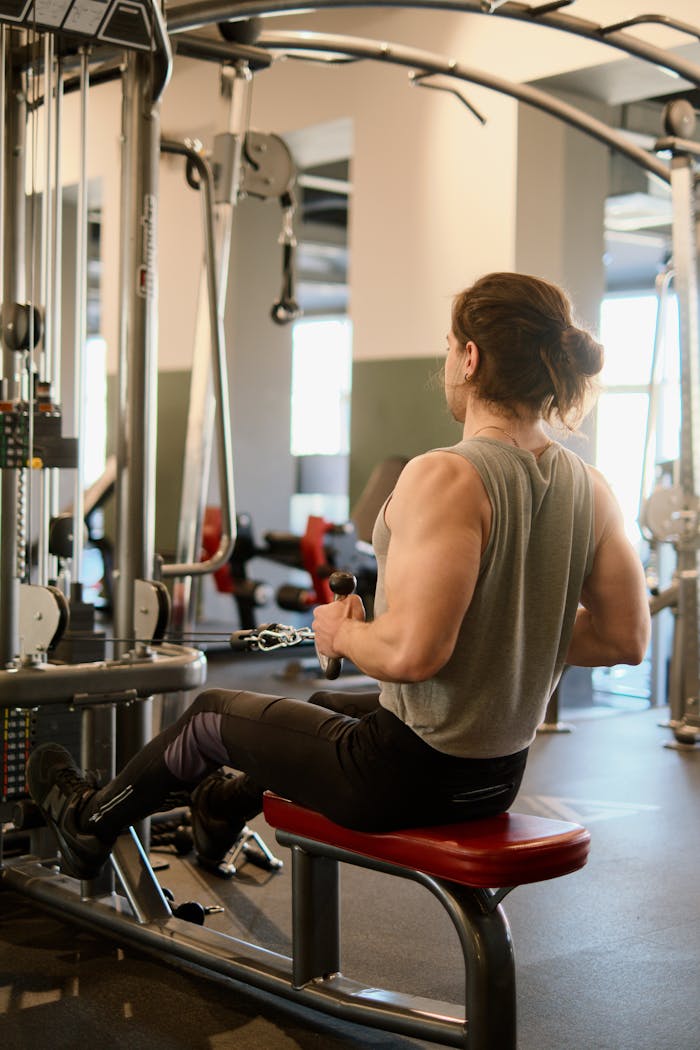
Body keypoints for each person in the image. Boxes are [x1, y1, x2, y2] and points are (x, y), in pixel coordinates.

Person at [27, 271, 651, 881]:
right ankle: (217, 814)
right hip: (496, 778)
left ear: (469, 356)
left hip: (400, 778)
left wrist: (341, 633)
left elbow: (410, 654)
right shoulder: (591, 487)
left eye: (446, 347)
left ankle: (88, 825)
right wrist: (510, 624)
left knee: (209, 715)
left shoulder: (448, 474)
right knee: (324, 705)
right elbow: (627, 639)